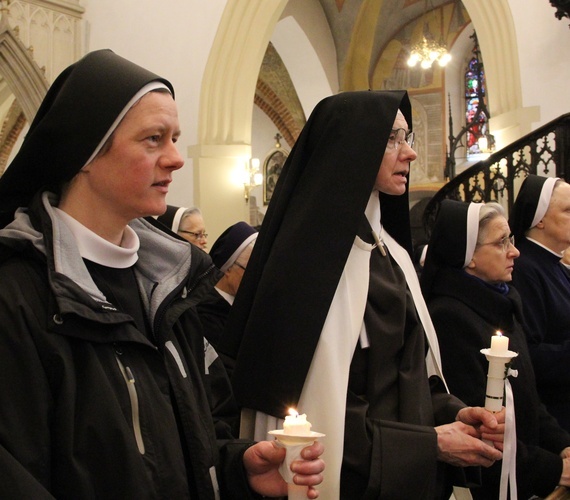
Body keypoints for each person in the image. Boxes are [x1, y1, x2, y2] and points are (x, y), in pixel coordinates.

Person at [0, 49, 325, 499]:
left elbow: (193, 433)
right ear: (86, 152)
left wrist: (237, 468)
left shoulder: (169, 286)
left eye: (175, 138)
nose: (175, 158)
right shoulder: (19, 295)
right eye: (154, 139)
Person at [220, 90, 503, 499]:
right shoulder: (312, 264)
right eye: (391, 139)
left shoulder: (393, 254)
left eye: (407, 138)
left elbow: (405, 374)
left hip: (408, 472)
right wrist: (431, 444)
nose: (409, 154)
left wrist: (455, 412)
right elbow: (324, 415)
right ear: (351, 147)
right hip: (356, 481)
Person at [421, 199, 570, 499]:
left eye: (511, 239)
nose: (515, 251)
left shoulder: (502, 302)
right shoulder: (449, 317)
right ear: (469, 257)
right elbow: (482, 424)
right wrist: (554, 469)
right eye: (502, 242)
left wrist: (563, 444)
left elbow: (529, 399)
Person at [509, 174, 570, 432]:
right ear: (541, 218)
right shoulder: (524, 269)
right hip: (554, 416)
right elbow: (528, 354)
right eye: (568, 210)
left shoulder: (556, 265)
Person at [198, 221, 258, 349]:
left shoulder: (248, 304)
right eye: (250, 270)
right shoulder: (205, 315)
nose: (255, 278)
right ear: (228, 268)